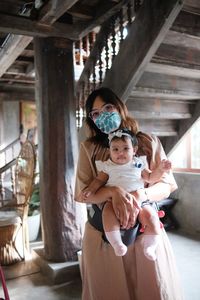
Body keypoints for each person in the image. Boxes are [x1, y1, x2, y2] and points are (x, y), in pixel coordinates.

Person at [75, 87, 183, 300]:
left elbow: (165, 185)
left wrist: (139, 195)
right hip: (103, 237)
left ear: (119, 108)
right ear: (91, 120)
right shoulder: (90, 148)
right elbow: (82, 194)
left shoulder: (148, 142)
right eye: (95, 113)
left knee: (153, 290)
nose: (103, 115)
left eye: (107, 107)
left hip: (145, 232)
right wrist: (113, 192)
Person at [78, 128, 172, 260]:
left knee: (151, 217)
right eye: (115, 149)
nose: (120, 153)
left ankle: (150, 245)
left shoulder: (138, 164)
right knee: (107, 214)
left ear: (134, 150)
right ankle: (117, 243)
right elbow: (98, 181)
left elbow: (151, 178)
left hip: (139, 202)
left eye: (125, 149)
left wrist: (161, 170)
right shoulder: (107, 166)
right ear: (109, 151)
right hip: (113, 201)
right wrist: (90, 190)